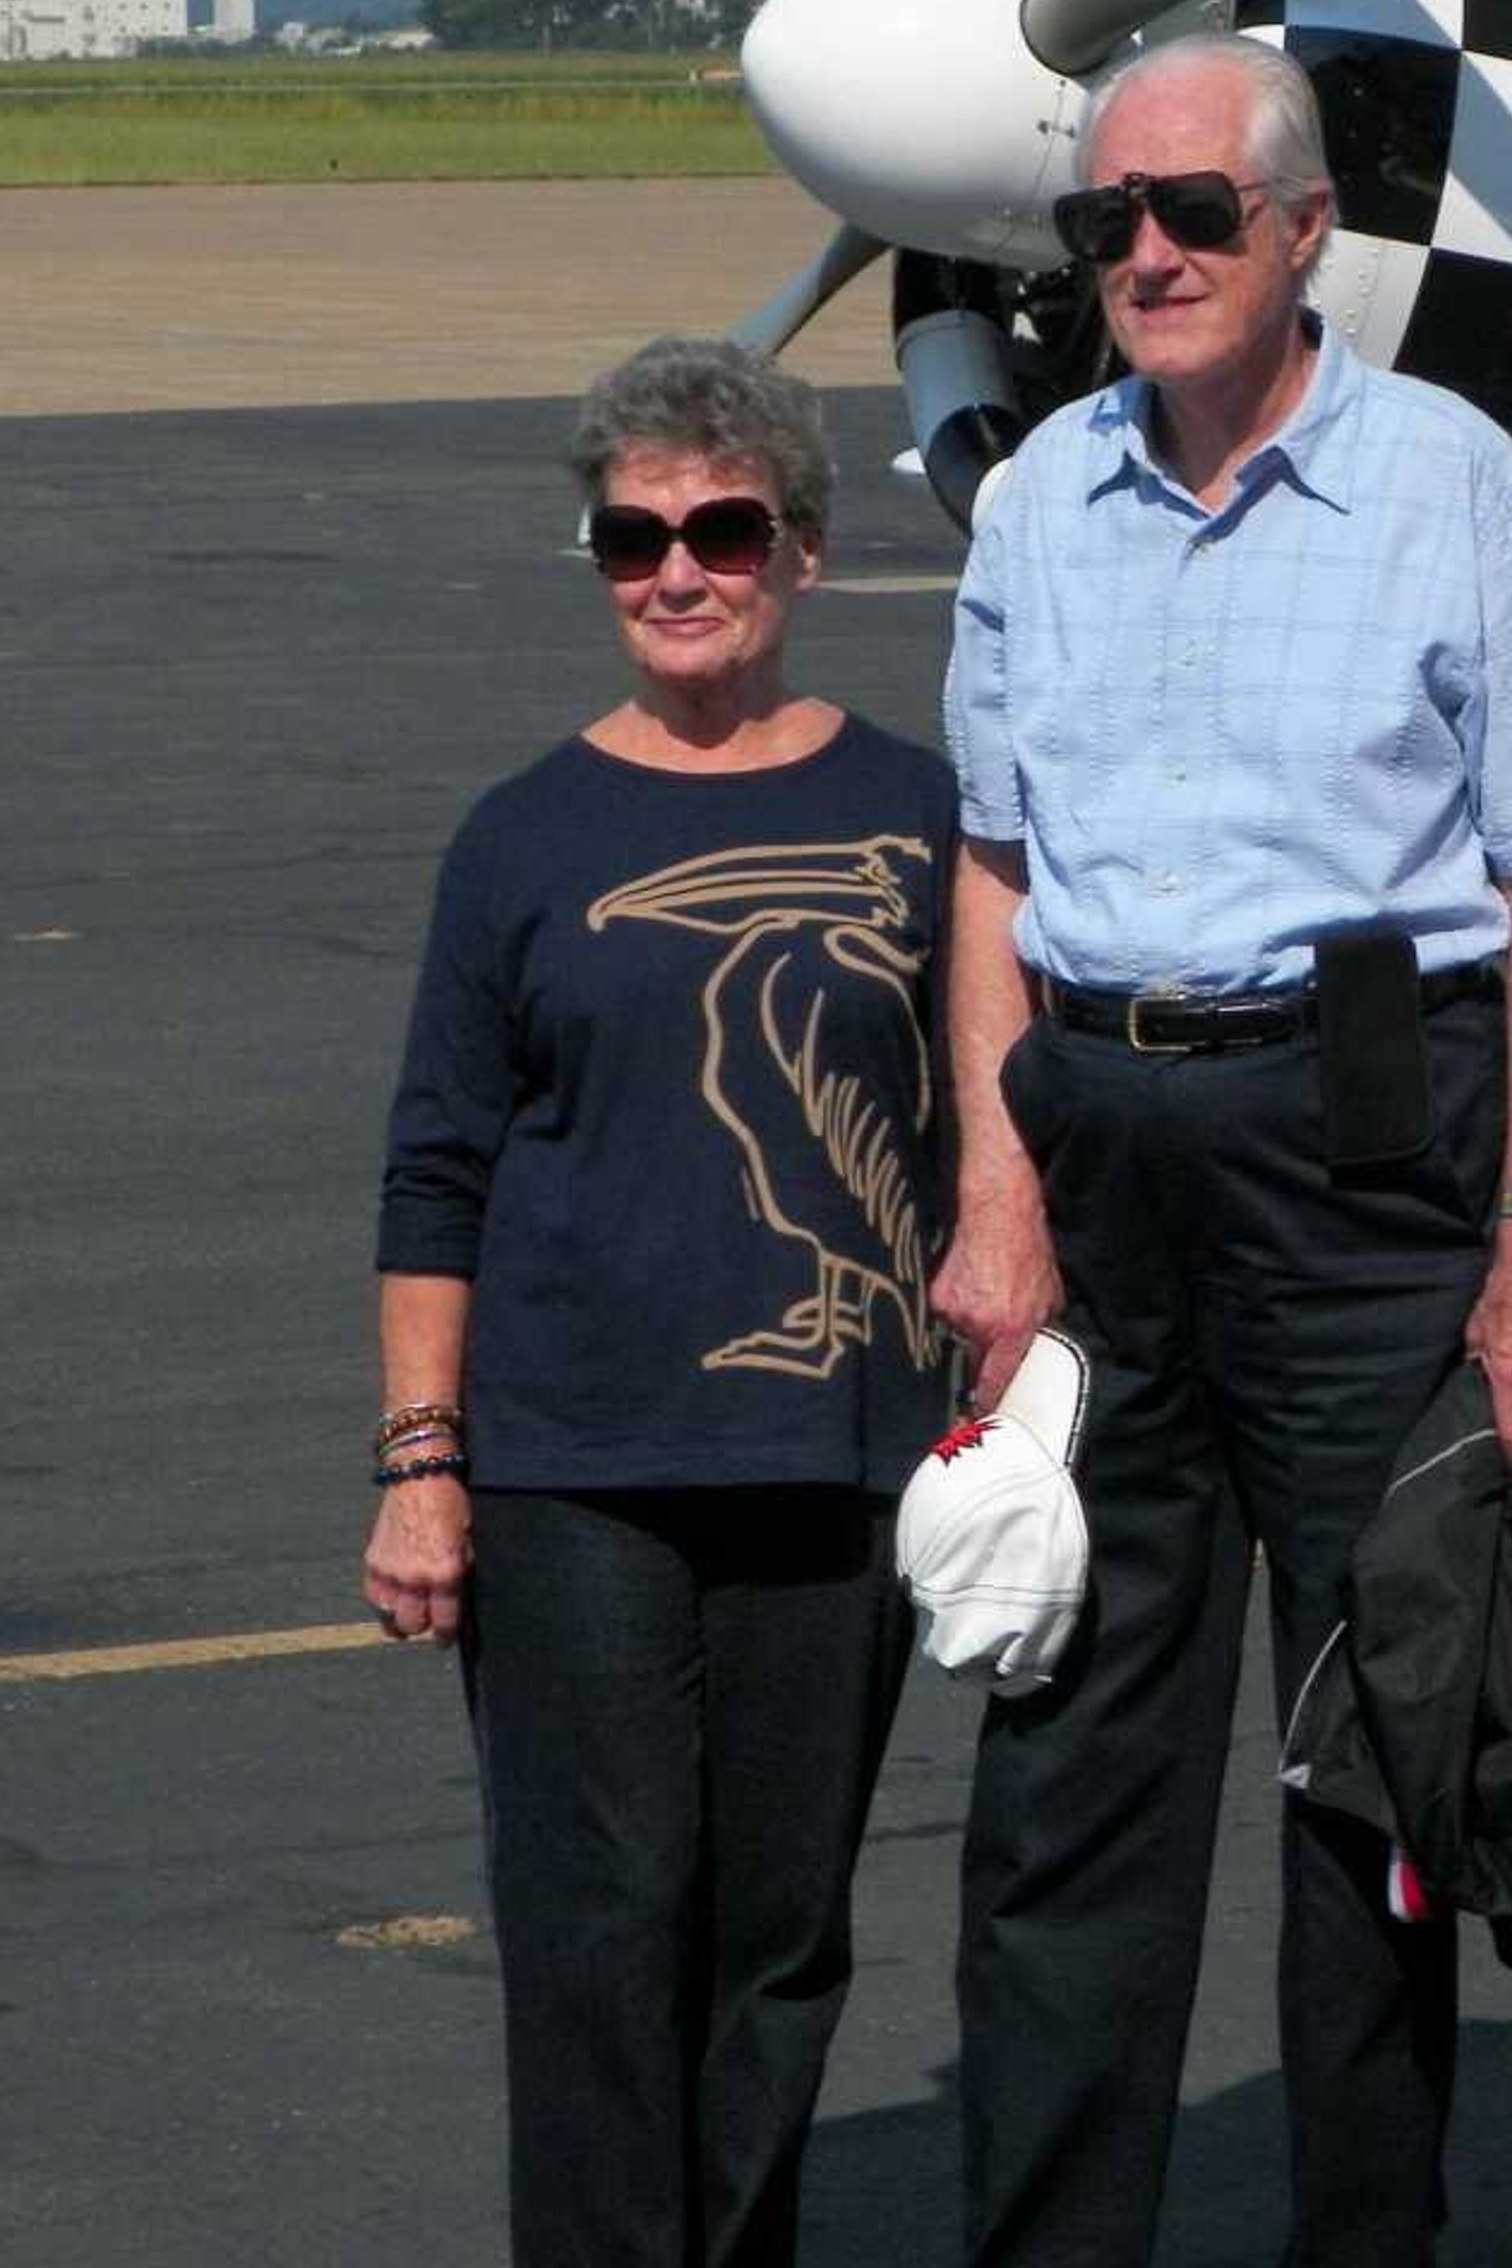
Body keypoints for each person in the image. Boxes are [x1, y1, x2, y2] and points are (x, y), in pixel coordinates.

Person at [932, 32, 1512, 2268]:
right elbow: (988, 870)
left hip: (1366, 1166)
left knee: (1375, 1762)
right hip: (1104, 1164)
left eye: (1194, 215)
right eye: (1104, 223)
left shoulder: (1446, 481)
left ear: (1306, 228)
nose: (1144, 255)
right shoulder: (1041, 498)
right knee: (1070, 1771)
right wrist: (994, 1193)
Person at [364, 335, 956, 2268]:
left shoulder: (926, 814)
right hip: (572, 1472)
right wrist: (423, 1459)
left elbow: (990, 1138)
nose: (677, 571)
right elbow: (437, 1168)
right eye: (635, 538)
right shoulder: (523, 838)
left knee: (779, 1940)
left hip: (831, 1449)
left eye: (721, 529)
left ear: (801, 550)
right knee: (600, 1927)